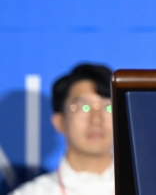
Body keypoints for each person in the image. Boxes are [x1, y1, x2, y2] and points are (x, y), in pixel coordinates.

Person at [10, 64, 114, 195]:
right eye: (84, 107)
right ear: (59, 122)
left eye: (108, 107)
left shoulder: (142, 187)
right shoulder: (32, 192)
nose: (96, 119)